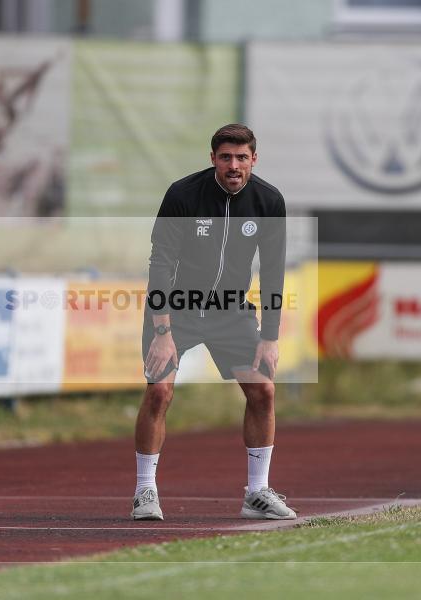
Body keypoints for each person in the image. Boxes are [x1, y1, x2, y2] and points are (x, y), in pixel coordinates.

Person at [132, 124, 295, 521]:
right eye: (226, 157)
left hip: (231, 311)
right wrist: (163, 332)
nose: (233, 165)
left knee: (263, 392)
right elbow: (160, 264)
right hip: (177, 309)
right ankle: (144, 491)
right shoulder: (183, 195)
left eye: (242, 157)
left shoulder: (268, 201)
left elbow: (273, 273)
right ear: (213, 159)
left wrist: (269, 338)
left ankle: (256, 493)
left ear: (254, 159)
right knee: (159, 394)